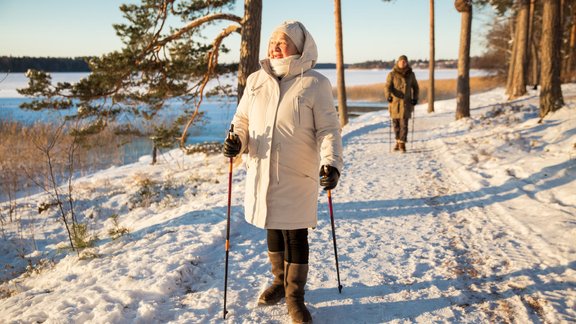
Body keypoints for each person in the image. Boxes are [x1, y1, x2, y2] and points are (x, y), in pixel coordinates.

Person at [222, 20, 343, 324]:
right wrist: (237, 141)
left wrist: (331, 163)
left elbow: (329, 129)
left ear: (299, 48)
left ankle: (295, 297)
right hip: (262, 168)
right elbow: (242, 120)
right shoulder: (256, 80)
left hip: (297, 172)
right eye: (273, 40)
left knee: (295, 233)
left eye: (283, 41)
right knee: (272, 227)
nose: (275, 45)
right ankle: (278, 281)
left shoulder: (315, 83)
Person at [385, 55, 419, 153]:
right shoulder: (391, 74)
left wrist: (415, 98)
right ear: (398, 62)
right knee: (396, 125)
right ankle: (397, 141)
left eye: (404, 61)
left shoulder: (411, 74)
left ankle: (402, 144)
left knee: (404, 124)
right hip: (394, 103)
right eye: (401, 61)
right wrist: (388, 96)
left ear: (407, 63)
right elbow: (387, 87)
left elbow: (416, 87)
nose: (403, 63)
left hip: (406, 103)